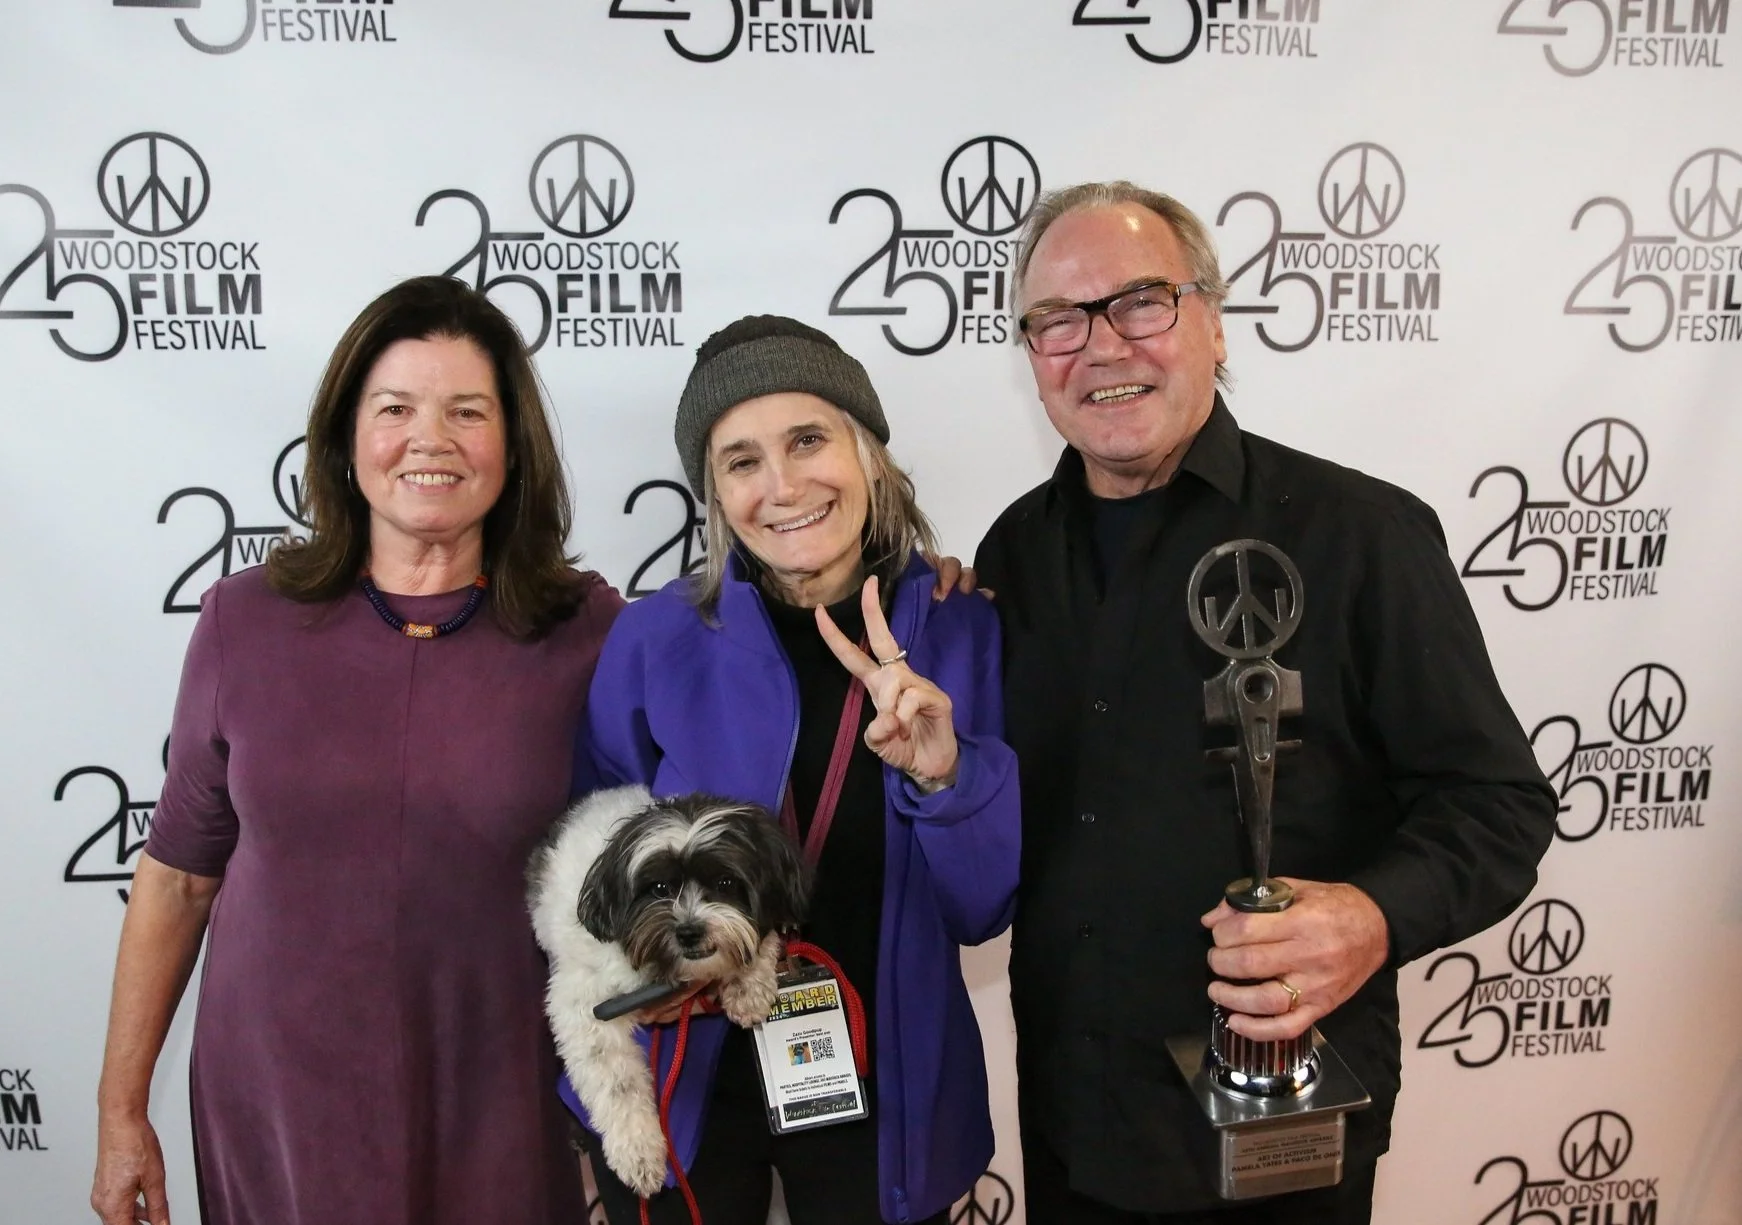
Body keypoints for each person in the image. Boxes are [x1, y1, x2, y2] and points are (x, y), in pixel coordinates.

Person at [973, 183, 1558, 1224]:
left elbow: (1496, 804)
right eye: (1057, 320)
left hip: (1281, 1130)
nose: (1100, 347)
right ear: (1029, 354)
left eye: (1138, 302)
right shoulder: (1011, 553)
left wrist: (1370, 915)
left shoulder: (1358, 535)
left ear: (1210, 319)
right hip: (1074, 1123)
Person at [90, 276, 622, 1225]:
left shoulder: (587, 629)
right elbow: (177, 877)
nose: (431, 438)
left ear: (513, 445)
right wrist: (121, 1111)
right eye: (395, 409)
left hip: (500, 1098)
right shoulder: (241, 622)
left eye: (468, 410)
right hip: (281, 1107)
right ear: (344, 438)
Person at [577, 315, 1020, 1225]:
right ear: (714, 489)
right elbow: (584, 861)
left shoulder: (959, 628)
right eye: (741, 460)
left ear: (869, 456)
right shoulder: (654, 639)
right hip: (685, 1087)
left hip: (884, 1094)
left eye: (808, 440)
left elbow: (983, 909)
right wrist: (625, 978)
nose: (781, 486)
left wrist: (945, 777)